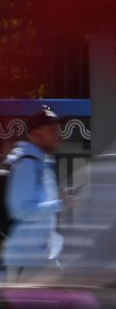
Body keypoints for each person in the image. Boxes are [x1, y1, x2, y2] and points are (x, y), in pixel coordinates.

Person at [4, 106, 67, 282]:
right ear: (35, 134)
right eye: (51, 130)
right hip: (26, 261)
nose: (57, 134)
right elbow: (21, 210)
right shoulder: (27, 165)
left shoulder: (41, 162)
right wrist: (60, 204)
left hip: (39, 258)